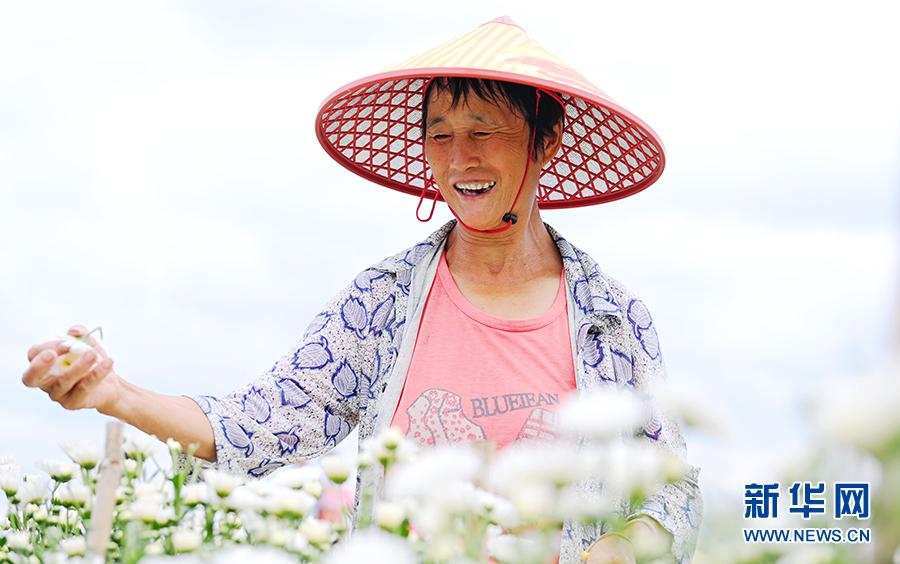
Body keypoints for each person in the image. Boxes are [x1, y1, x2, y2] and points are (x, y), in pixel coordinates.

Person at [23, 17, 701, 564]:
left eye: (483, 132)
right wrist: (115, 395)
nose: (459, 158)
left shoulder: (610, 318)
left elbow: (672, 486)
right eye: (440, 136)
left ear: (546, 138)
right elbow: (259, 425)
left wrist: (620, 547)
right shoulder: (384, 300)